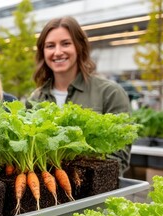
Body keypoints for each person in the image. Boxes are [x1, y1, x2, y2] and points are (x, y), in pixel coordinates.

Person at [28, 16, 131, 174]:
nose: (58, 52)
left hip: (97, 194)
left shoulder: (110, 93)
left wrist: (80, 180)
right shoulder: (35, 99)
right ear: (43, 52)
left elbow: (119, 158)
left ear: (79, 46)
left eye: (66, 43)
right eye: (50, 46)